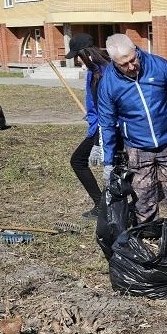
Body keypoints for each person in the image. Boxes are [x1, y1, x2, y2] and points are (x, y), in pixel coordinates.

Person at [96, 33, 167, 259]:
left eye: (133, 59)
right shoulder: (108, 84)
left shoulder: (159, 66)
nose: (132, 66)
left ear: (136, 50)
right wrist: (108, 162)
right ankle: (152, 255)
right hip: (137, 151)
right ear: (114, 62)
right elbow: (106, 125)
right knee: (144, 207)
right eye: (124, 64)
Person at [63, 34, 106, 219]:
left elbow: (107, 107)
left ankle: (102, 206)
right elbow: (95, 103)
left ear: (85, 53)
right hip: (99, 124)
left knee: (78, 161)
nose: (78, 61)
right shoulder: (96, 69)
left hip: (104, 127)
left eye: (78, 56)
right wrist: (90, 113)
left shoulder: (100, 73)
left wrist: (97, 142)